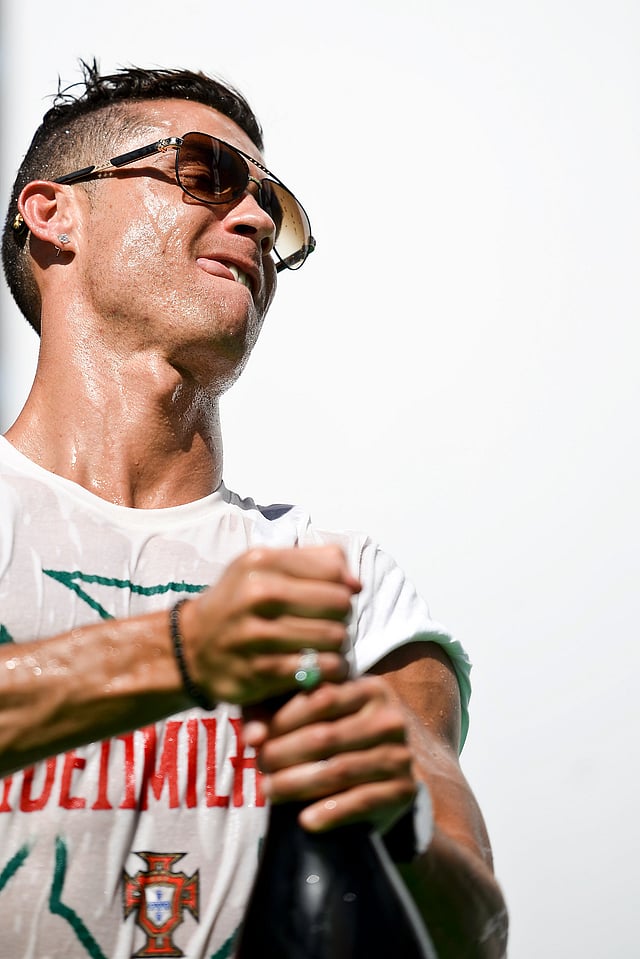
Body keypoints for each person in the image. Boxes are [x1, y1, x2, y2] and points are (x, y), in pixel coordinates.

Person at [0, 61, 507, 959]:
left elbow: (480, 934)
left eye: (274, 205)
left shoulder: (343, 580)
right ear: (54, 213)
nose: (258, 219)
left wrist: (407, 823)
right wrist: (185, 651)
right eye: (205, 172)